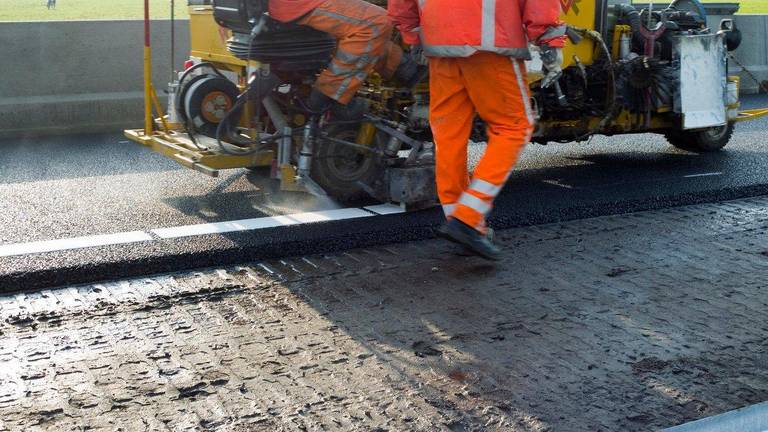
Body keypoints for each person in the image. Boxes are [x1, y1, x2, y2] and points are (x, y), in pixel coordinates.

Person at [388, 0, 566, 260]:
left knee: (448, 134)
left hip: (440, 45)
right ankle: (467, 219)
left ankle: (458, 221)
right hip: (490, 45)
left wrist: (412, 34)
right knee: (514, 126)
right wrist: (549, 42)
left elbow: (401, 5)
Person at [268, 0, 420, 116]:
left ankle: (409, 70)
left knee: (362, 26)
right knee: (375, 23)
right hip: (297, 4)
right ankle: (322, 99)